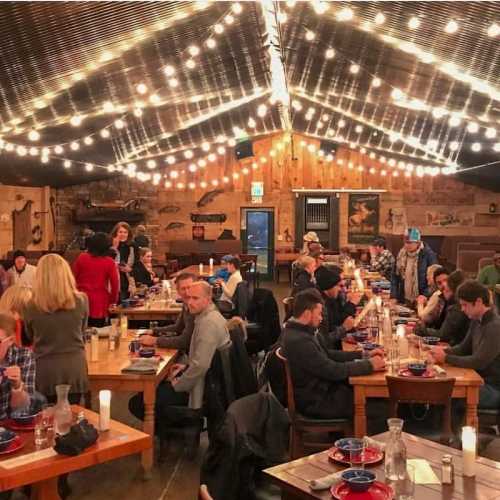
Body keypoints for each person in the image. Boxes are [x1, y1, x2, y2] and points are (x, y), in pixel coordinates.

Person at [129, 281, 230, 424]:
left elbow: (200, 367)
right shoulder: (207, 316)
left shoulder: (208, 324)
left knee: (139, 402)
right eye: (188, 298)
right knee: (157, 387)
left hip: (200, 391)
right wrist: (185, 367)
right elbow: (205, 361)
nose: (189, 302)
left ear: (208, 300)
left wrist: (178, 384)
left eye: (195, 298)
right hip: (206, 382)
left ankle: (175, 434)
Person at [282, 289, 385, 419]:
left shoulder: (302, 331)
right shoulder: (299, 341)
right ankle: (357, 437)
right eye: (319, 314)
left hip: (321, 390)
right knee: (378, 407)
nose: (321, 318)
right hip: (316, 400)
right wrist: (369, 365)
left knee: (370, 397)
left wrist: (364, 355)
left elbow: (328, 355)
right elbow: (332, 370)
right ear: (308, 314)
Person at [23, 254, 89, 404]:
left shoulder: (30, 306)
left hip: (44, 368)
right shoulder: (81, 300)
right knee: (72, 415)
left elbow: (29, 335)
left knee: (46, 419)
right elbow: (82, 330)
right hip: (74, 366)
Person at [429, 280, 500, 410]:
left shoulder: (494, 327)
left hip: (493, 388)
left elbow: (478, 361)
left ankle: (448, 429)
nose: (462, 309)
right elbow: (463, 348)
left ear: (478, 302)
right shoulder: (476, 320)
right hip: (478, 379)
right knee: (439, 385)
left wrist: (446, 358)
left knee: (447, 393)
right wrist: (441, 351)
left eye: (465, 305)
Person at [139, 273, 196, 351]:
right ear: (178, 291)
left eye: (189, 288)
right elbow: (178, 327)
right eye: (183, 289)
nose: (187, 292)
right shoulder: (187, 304)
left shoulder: (195, 308)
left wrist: (155, 340)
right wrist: (154, 331)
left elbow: (184, 341)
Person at [72, 232, 119, 328]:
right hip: (100, 302)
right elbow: (115, 285)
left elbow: (72, 278)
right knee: (97, 334)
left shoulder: (82, 258)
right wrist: (112, 301)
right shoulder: (110, 262)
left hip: (81, 299)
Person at [416, 270, 469, 346]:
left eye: (446, 281)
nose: (444, 285)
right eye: (439, 283)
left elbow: (443, 335)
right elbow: (431, 321)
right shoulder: (443, 299)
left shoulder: (456, 307)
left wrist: (419, 329)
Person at [0, 313, 36, 420]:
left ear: (10, 341)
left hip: (9, 426)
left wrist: (17, 387)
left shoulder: (23, 356)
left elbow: (25, 411)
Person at [391, 227, 437, 304]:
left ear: (418, 242)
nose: (407, 245)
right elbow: (395, 276)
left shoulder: (428, 255)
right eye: (405, 242)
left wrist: (425, 295)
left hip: (421, 300)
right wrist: (394, 296)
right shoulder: (401, 255)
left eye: (410, 242)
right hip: (404, 298)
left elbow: (434, 281)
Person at [315, 269, 357, 349]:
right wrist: (344, 328)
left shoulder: (328, 299)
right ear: (329, 286)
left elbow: (333, 323)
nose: (341, 289)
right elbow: (323, 341)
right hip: (329, 352)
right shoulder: (320, 306)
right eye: (338, 285)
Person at [110, 221, 135, 302]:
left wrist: (130, 269)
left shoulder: (132, 246)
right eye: (120, 232)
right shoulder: (110, 245)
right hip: (114, 278)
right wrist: (114, 247)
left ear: (128, 234)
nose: (123, 234)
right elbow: (108, 261)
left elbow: (137, 264)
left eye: (125, 232)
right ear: (115, 233)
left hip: (127, 279)